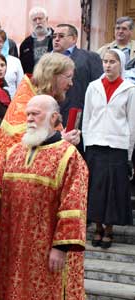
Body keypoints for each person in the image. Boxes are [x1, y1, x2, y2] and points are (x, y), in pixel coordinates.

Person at [0, 53, 82, 298]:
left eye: (34, 116)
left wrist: (61, 246)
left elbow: (73, 203)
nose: (70, 84)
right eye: (67, 77)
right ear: (53, 76)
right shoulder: (17, 145)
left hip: (46, 237)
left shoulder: (69, 157)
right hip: (13, 235)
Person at [83, 49, 135, 249]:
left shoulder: (129, 89)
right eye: (105, 61)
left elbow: (131, 123)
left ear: (120, 64)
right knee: (95, 189)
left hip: (117, 146)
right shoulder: (93, 87)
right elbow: (87, 117)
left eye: (112, 61)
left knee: (113, 190)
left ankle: (109, 229)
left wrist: (129, 152)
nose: (108, 65)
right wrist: (87, 143)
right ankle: (97, 226)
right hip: (95, 145)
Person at [52, 23, 103, 125]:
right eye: (54, 36)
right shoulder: (46, 59)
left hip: (78, 116)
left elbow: (98, 89)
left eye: (61, 36)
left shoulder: (90, 58)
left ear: (74, 39)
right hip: (51, 115)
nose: (56, 39)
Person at [0, 29, 23, 97]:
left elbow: (20, 85)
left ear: (5, 43)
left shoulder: (15, 61)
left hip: (11, 103)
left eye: (1, 41)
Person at [19, 6, 53, 75]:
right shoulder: (25, 44)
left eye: (40, 18)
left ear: (46, 19)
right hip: (32, 83)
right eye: (34, 19)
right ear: (31, 22)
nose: (38, 22)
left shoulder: (56, 38)